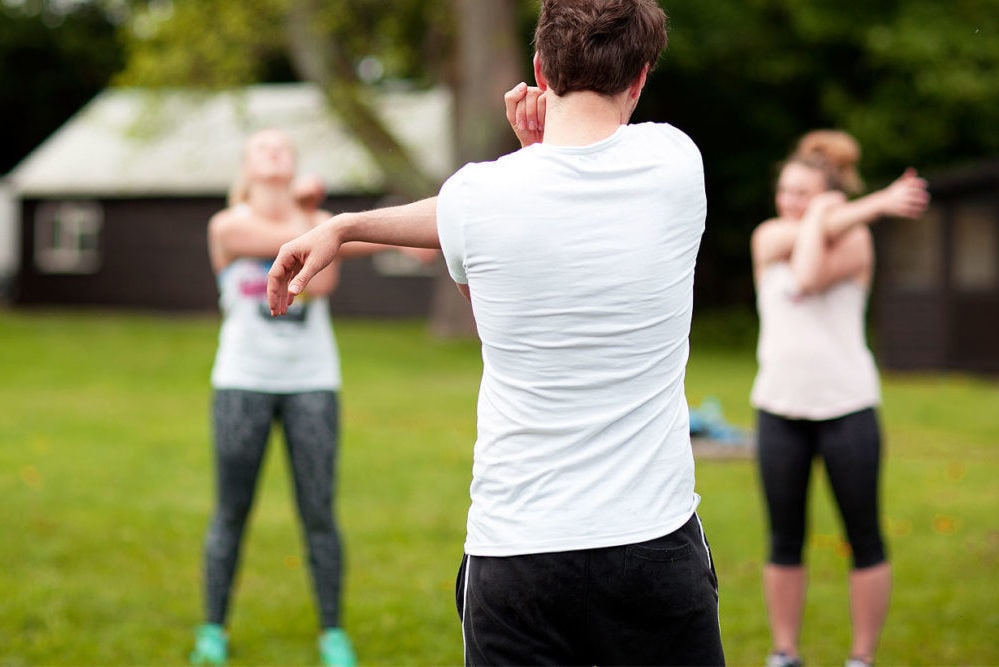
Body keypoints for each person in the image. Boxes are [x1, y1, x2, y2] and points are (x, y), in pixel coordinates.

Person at [267, 1, 725, 664]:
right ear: (641, 77)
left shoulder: (479, 196)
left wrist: (343, 225)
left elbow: (484, 284)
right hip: (651, 547)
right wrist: (537, 157)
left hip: (517, 554)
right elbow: (558, 190)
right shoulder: (676, 163)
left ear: (539, 69)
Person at [190, 128, 427, 667]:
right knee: (231, 512)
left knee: (319, 513)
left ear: (293, 165)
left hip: (312, 384)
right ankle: (212, 631)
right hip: (242, 383)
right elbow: (315, 274)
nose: (274, 151)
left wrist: (408, 239)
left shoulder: (317, 225)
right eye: (262, 147)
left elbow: (328, 266)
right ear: (247, 168)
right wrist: (323, 223)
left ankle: (332, 635)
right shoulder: (227, 226)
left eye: (283, 148)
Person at [749, 130, 930, 667]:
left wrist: (844, 215)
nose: (790, 203)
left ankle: (861, 658)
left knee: (864, 535)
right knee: (784, 539)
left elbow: (807, 271)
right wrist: (864, 206)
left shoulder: (854, 242)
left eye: (804, 194)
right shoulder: (767, 237)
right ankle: (785, 653)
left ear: (830, 195)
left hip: (847, 409)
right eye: (786, 191)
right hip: (779, 408)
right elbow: (797, 256)